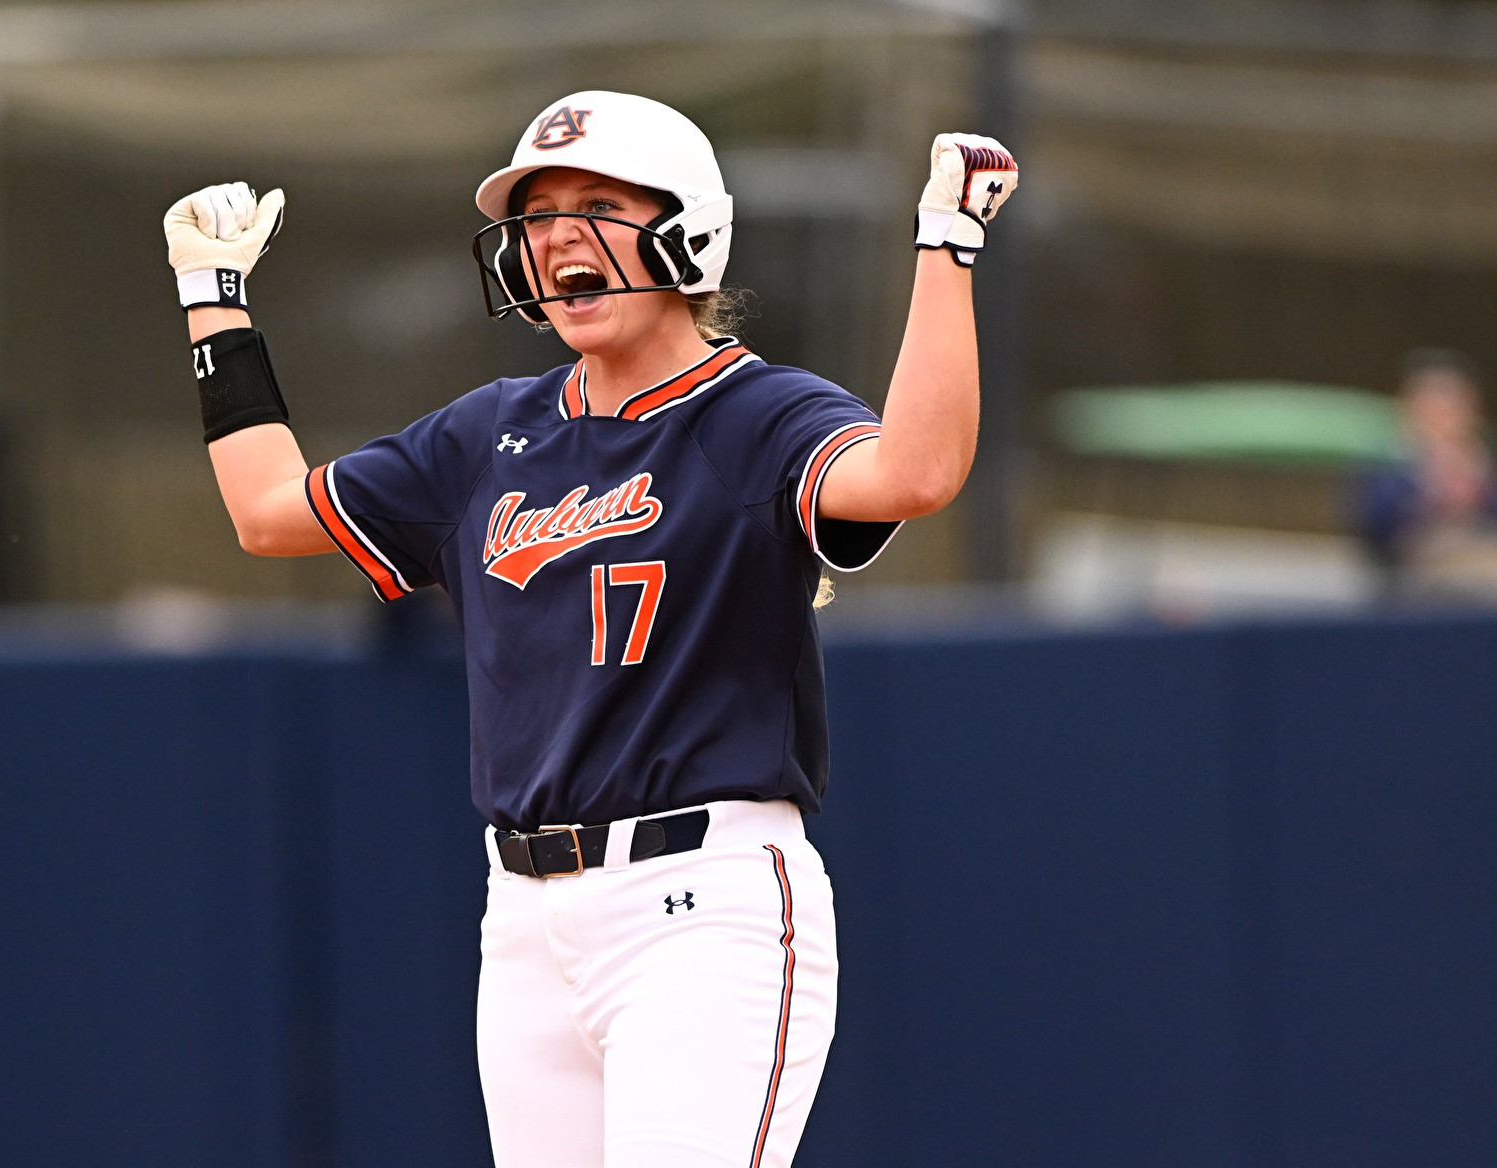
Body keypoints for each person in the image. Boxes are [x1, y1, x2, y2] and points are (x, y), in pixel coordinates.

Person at [163, 91, 1016, 1168]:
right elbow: (266, 512)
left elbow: (917, 472)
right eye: (538, 216)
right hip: (525, 917)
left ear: (687, 231)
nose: (558, 236)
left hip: (703, 904)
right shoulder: (488, 434)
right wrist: (213, 299)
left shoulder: (754, 415)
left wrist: (945, 245)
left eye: (599, 206)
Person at [1356, 349, 1497, 602]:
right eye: (1433, 402)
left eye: (1453, 402)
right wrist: (1427, 492)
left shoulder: (1483, 458)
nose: (1444, 413)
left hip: (1479, 559)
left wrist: (1477, 492)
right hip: (1414, 577)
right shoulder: (1391, 458)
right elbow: (1375, 527)